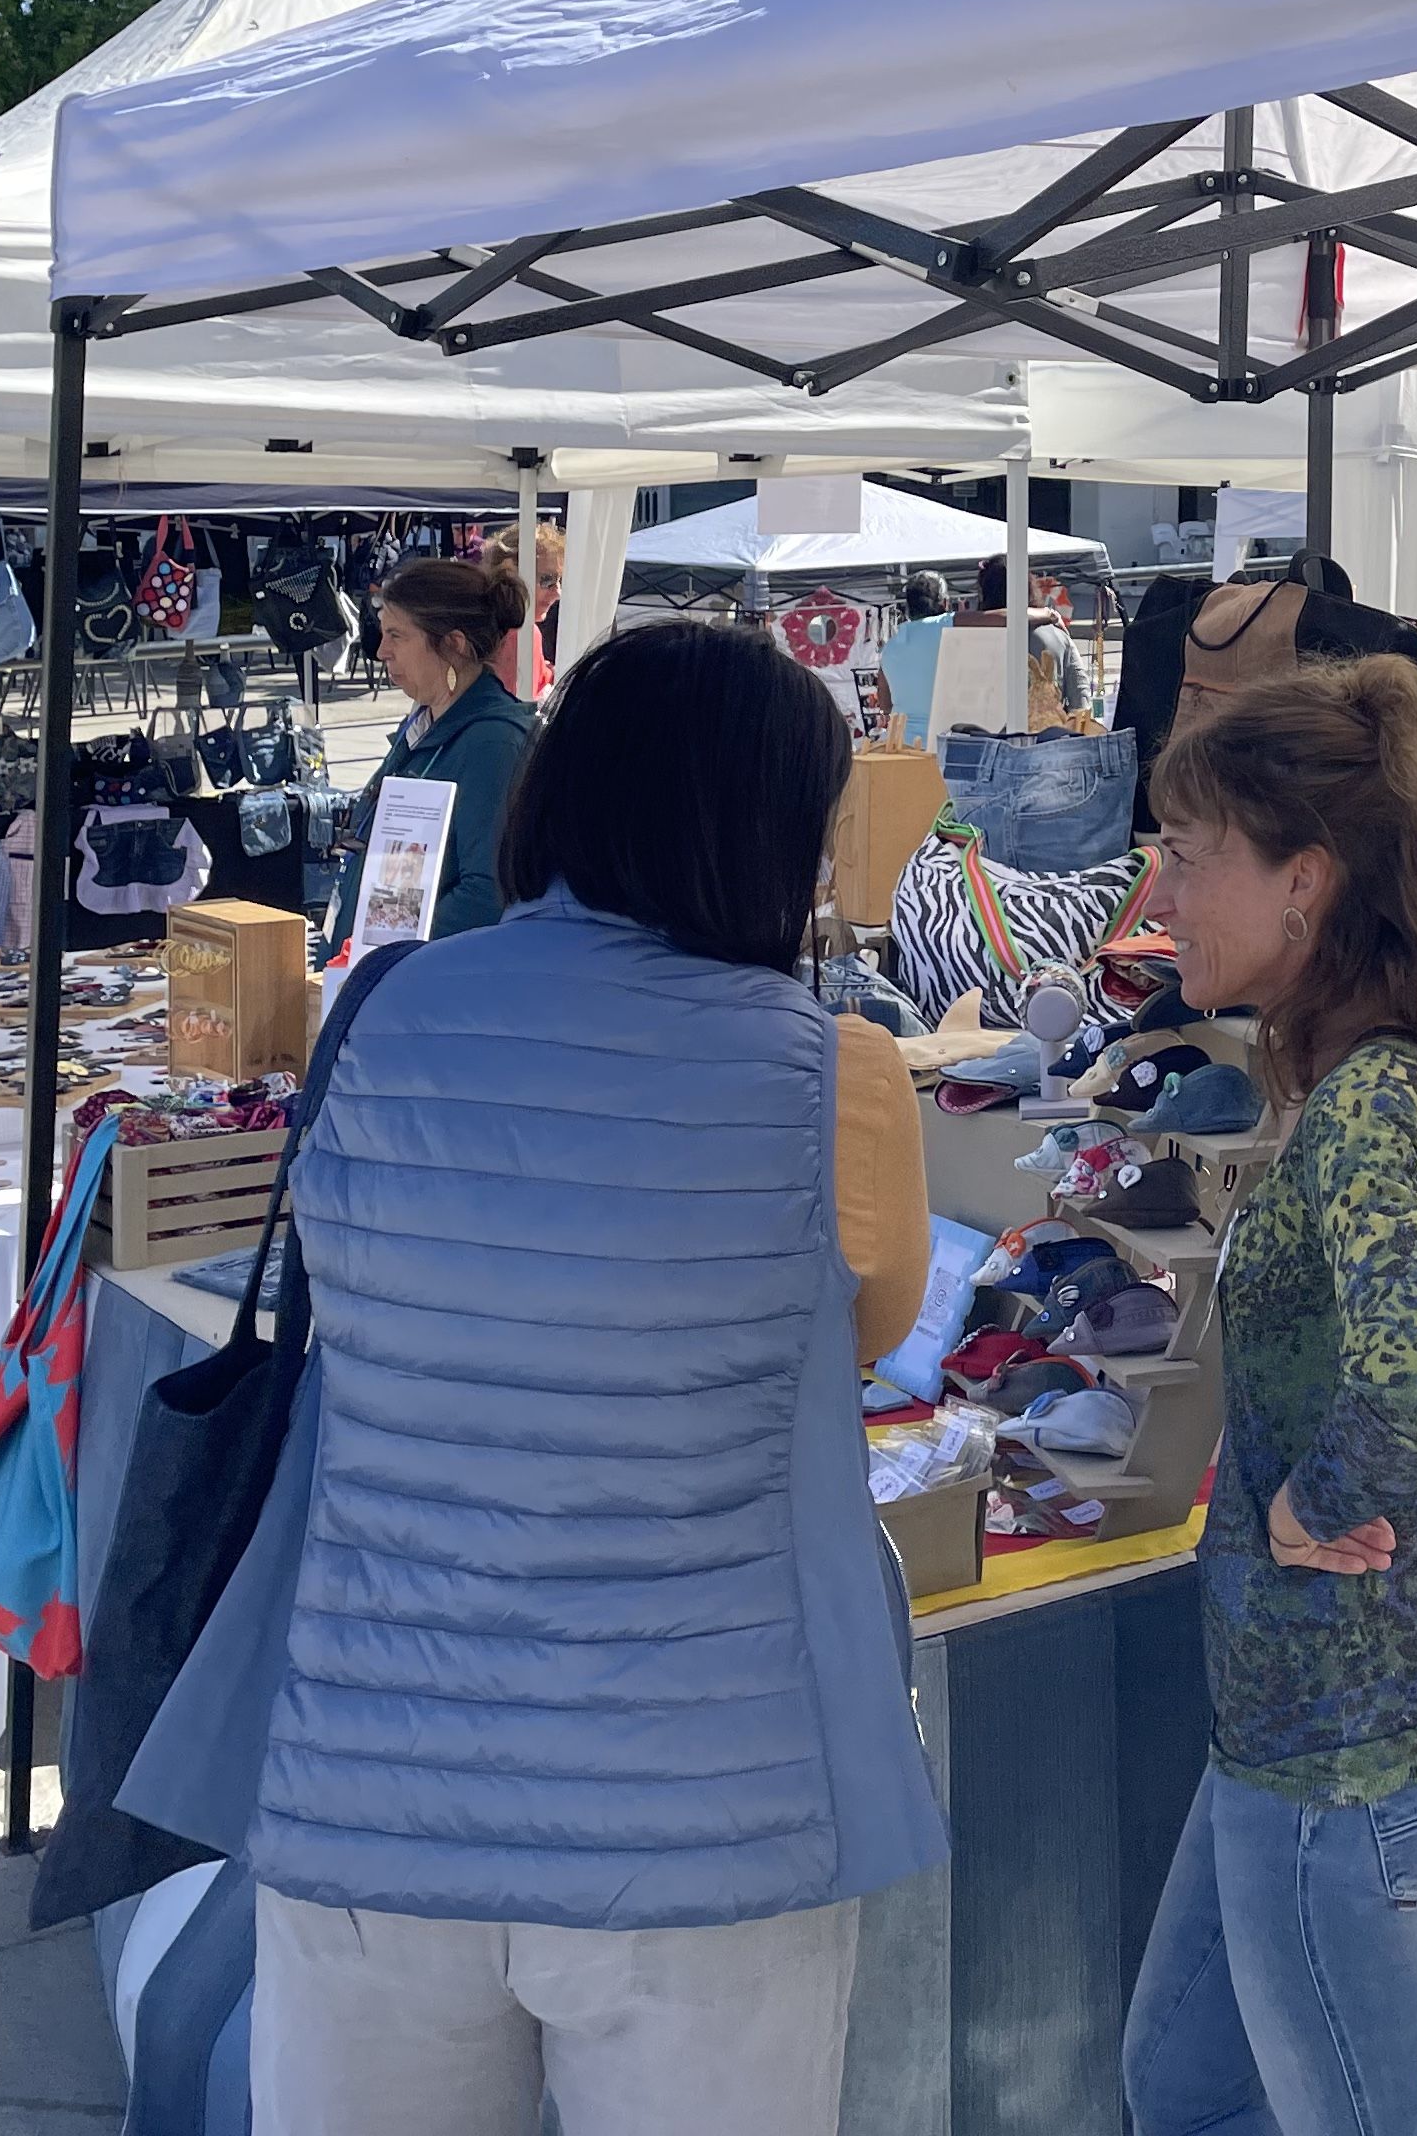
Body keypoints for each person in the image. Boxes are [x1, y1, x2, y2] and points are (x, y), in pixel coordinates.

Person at [251, 621, 942, 2135]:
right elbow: (866, 1329)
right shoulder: (841, 1075)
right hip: (706, 1804)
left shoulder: (376, 1017)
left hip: (375, 1779)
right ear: (762, 831)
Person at [1124, 658, 1417, 2136]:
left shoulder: (1365, 1100)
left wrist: (1324, 1497)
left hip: (1346, 1748)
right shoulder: (1407, 1069)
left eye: (1186, 856)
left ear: (1305, 882)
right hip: (1322, 1720)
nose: (1160, 893)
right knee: (1180, 2086)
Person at [328, 559, 538, 944]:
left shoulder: (494, 744)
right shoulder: (428, 721)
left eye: (397, 636)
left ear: (453, 645)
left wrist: (387, 950)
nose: (381, 652)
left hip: (417, 981)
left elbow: (487, 893)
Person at [965, 553, 1090, 720]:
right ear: (1029, 587)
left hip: (990, 737)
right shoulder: (1058, 635)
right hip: (1049, 736)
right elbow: (1081, 702)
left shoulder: (971, 640)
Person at [478, 516, 565, 697]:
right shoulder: (521, 634)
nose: (558, 593)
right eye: (547, 580)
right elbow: (519, 711)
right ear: (510, 573)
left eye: (559, 581)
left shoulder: (479, 620)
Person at [878, 567, 952, 739]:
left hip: (900, 743)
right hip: (944, 743)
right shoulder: (946, 624)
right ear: (945, 603)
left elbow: (885, 702)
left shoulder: (891, 645)